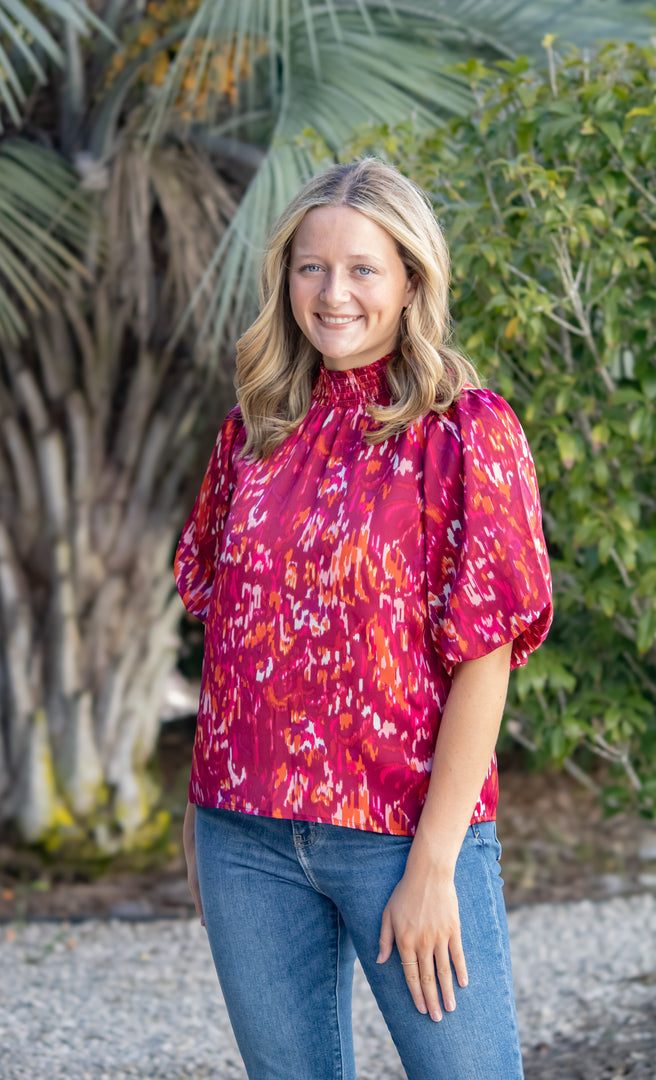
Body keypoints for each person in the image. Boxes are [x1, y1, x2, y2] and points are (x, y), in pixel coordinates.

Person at [174, 158, 552, 1080]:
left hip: (402, 834)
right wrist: (200, 820)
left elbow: (486, 654)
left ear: (412, 277)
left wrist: (434, 864)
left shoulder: (466, 430)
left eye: (362, 268)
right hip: (244, 836)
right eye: (311, 267)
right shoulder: (255, 429)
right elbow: (226, 633)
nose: (332, 293)